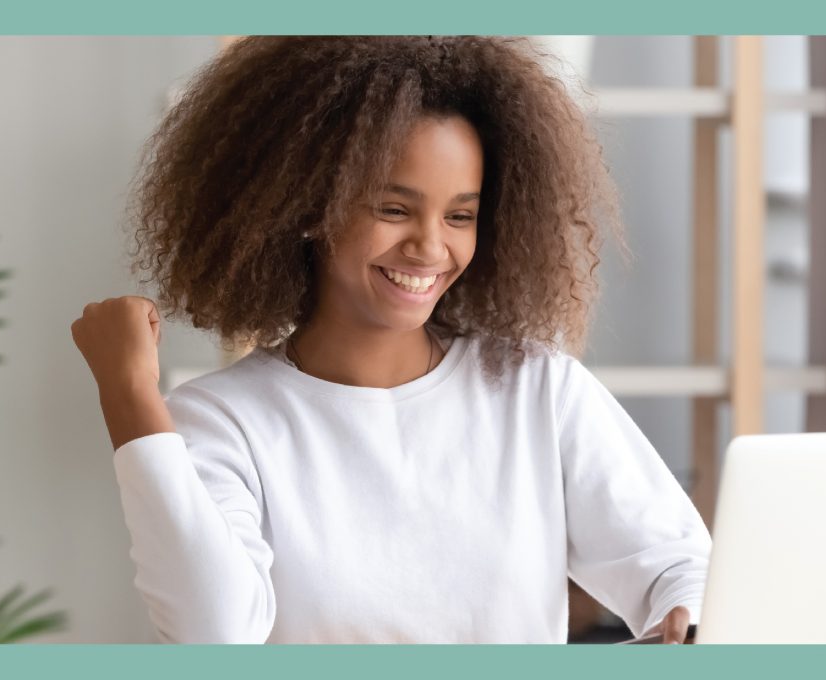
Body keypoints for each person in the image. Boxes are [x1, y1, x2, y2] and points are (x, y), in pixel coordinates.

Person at [71, 36, 711, 644]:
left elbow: (678, 564)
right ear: (305, 208)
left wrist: (691, 610)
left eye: (460, 215)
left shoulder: (538, 389)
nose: (432, 247)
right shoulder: (224, 421)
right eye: (394, 209)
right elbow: (213, 635)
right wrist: (128, 397)